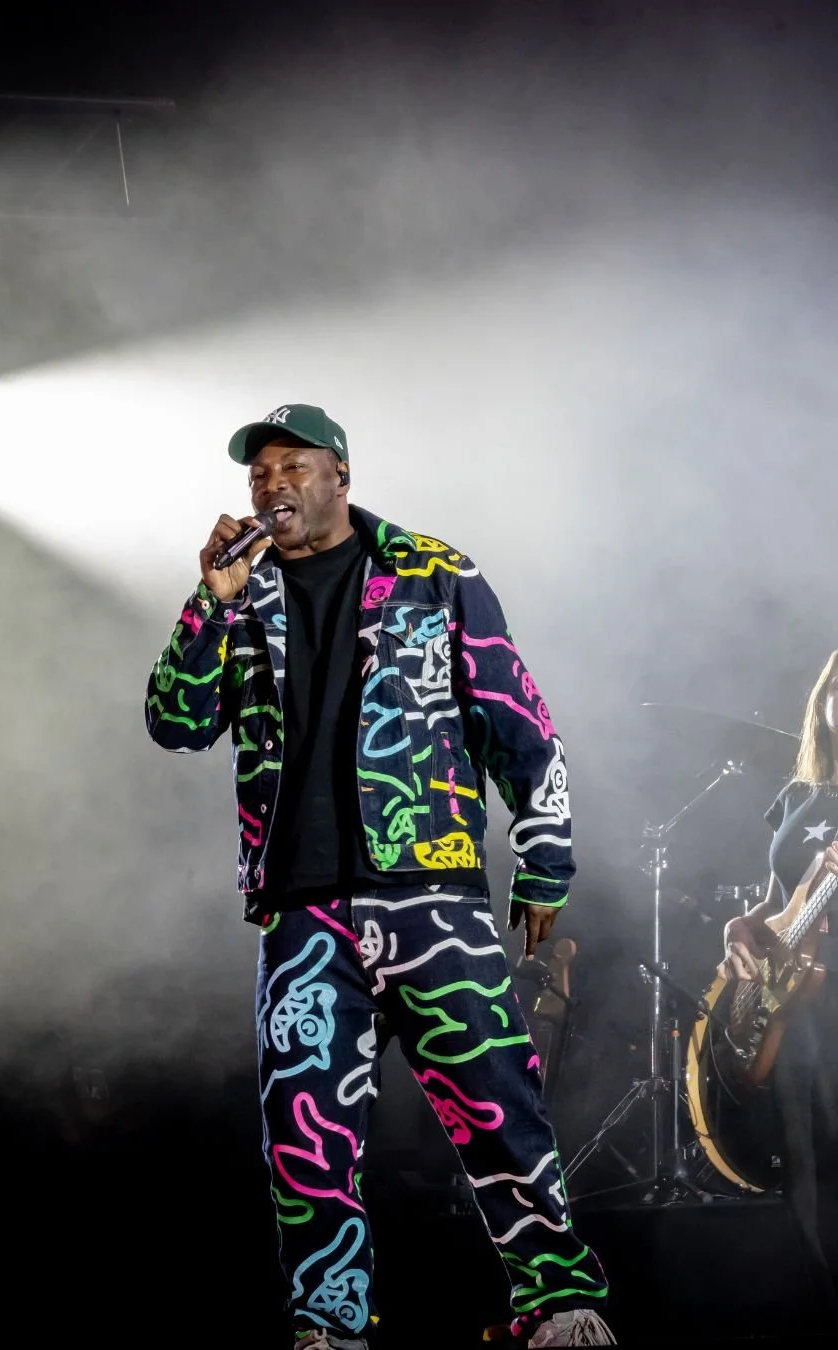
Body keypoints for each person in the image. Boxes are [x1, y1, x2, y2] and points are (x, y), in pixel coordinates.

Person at [144, 404, 613, 1349]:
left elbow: (519, 723)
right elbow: (175, 722)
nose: (271, 484)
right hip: (302, 909)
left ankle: (560, 1303)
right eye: (258, 473)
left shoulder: (435, 573)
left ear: (340, 475)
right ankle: (330, 1325)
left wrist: (545, 860)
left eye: (292, 466)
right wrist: (209, 602)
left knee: (500, 1108)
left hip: (431, 895)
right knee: (305, 1135)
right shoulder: (244, 592)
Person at [721, 651, 838, 1302]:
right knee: (803, 1150)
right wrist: (739, 929)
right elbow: (776, 902)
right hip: (791, 997)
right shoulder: (798, 794)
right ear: (822, 702)